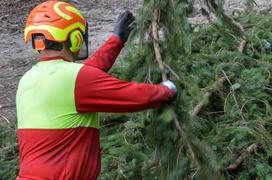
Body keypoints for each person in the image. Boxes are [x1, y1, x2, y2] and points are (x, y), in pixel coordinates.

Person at [16, 1, 176, 179]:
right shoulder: (75, 79)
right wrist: (167, 89)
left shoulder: (28, 80)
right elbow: (132, 96)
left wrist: (116, 40)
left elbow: (85, 76)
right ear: (75, 38)